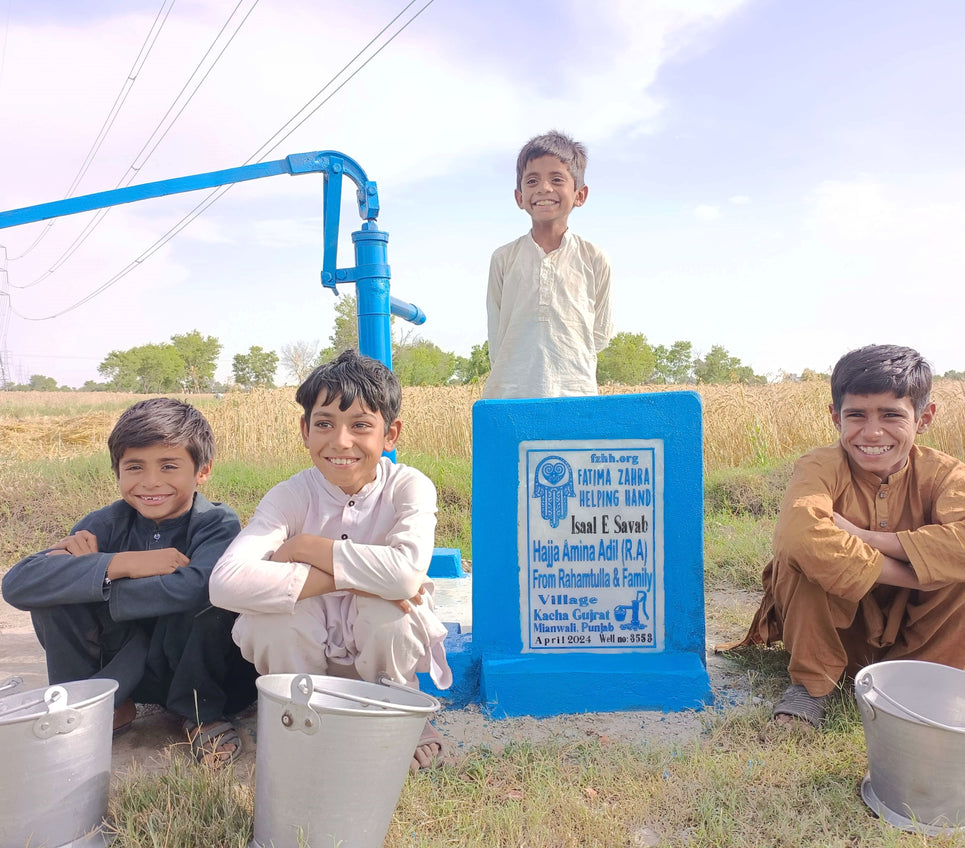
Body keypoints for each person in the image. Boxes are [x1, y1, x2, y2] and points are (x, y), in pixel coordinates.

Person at [732, 344, 965, 728]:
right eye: (857, 415)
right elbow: (798, 537)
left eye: (891, 415)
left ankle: (915, 684)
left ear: (924, 417)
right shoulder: (820, 466)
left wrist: (866, 537)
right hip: (837, 634)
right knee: (801, 560)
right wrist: (914, 571)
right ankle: (812, 687)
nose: (872, 432)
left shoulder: (943, 473)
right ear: (835, 418)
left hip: (915, 635)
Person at [209, 349, 451, 770]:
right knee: (273, 618)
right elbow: (224, 583)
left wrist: (304, 548)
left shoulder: (408, 487)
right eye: (324, 424)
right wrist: (349, 579)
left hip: (380, 662)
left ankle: (396, 710)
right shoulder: (291, 495)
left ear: (390, 435)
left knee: (392, 613)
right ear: (305, 430)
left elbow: (405, 574)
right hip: (304, 665)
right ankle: (302, 718)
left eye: (360, 425)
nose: (340, 442)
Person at [2, 398, 256, 765]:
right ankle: (96, 703)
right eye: (134, 467)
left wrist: (94, 581)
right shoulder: (105, 524)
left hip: (199, 671)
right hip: (124, 669)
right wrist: (124, 563)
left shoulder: (216, 523)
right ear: (117, 472)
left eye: (169, 466)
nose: (151, 482)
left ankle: (201, 716)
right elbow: (18, 584)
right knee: (54, 594)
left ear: (203, 471)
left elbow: (195, 587)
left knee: (209, 598)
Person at [482, 130, 613, 399]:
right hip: (510, 393)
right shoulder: (504, 258)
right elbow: (496, 333)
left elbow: (600, 332)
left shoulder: (594, 258)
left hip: (576, 394)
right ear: (519, 197)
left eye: (557, 179)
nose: (544, 188)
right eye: (532, 181)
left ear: (580, 194)